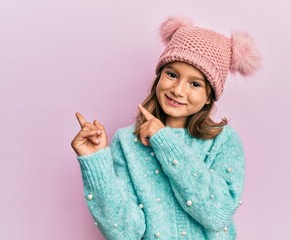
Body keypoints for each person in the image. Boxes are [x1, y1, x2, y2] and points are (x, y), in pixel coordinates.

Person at [71, 16, 261, 240]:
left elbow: (217, 214)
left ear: (210, 96)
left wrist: (165, 142)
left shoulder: (224, 140)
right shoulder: (126, 141)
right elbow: (125, 233)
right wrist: (96, 163)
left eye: (195, 84)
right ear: (159, 76)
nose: (178, 90)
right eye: (171, 74)